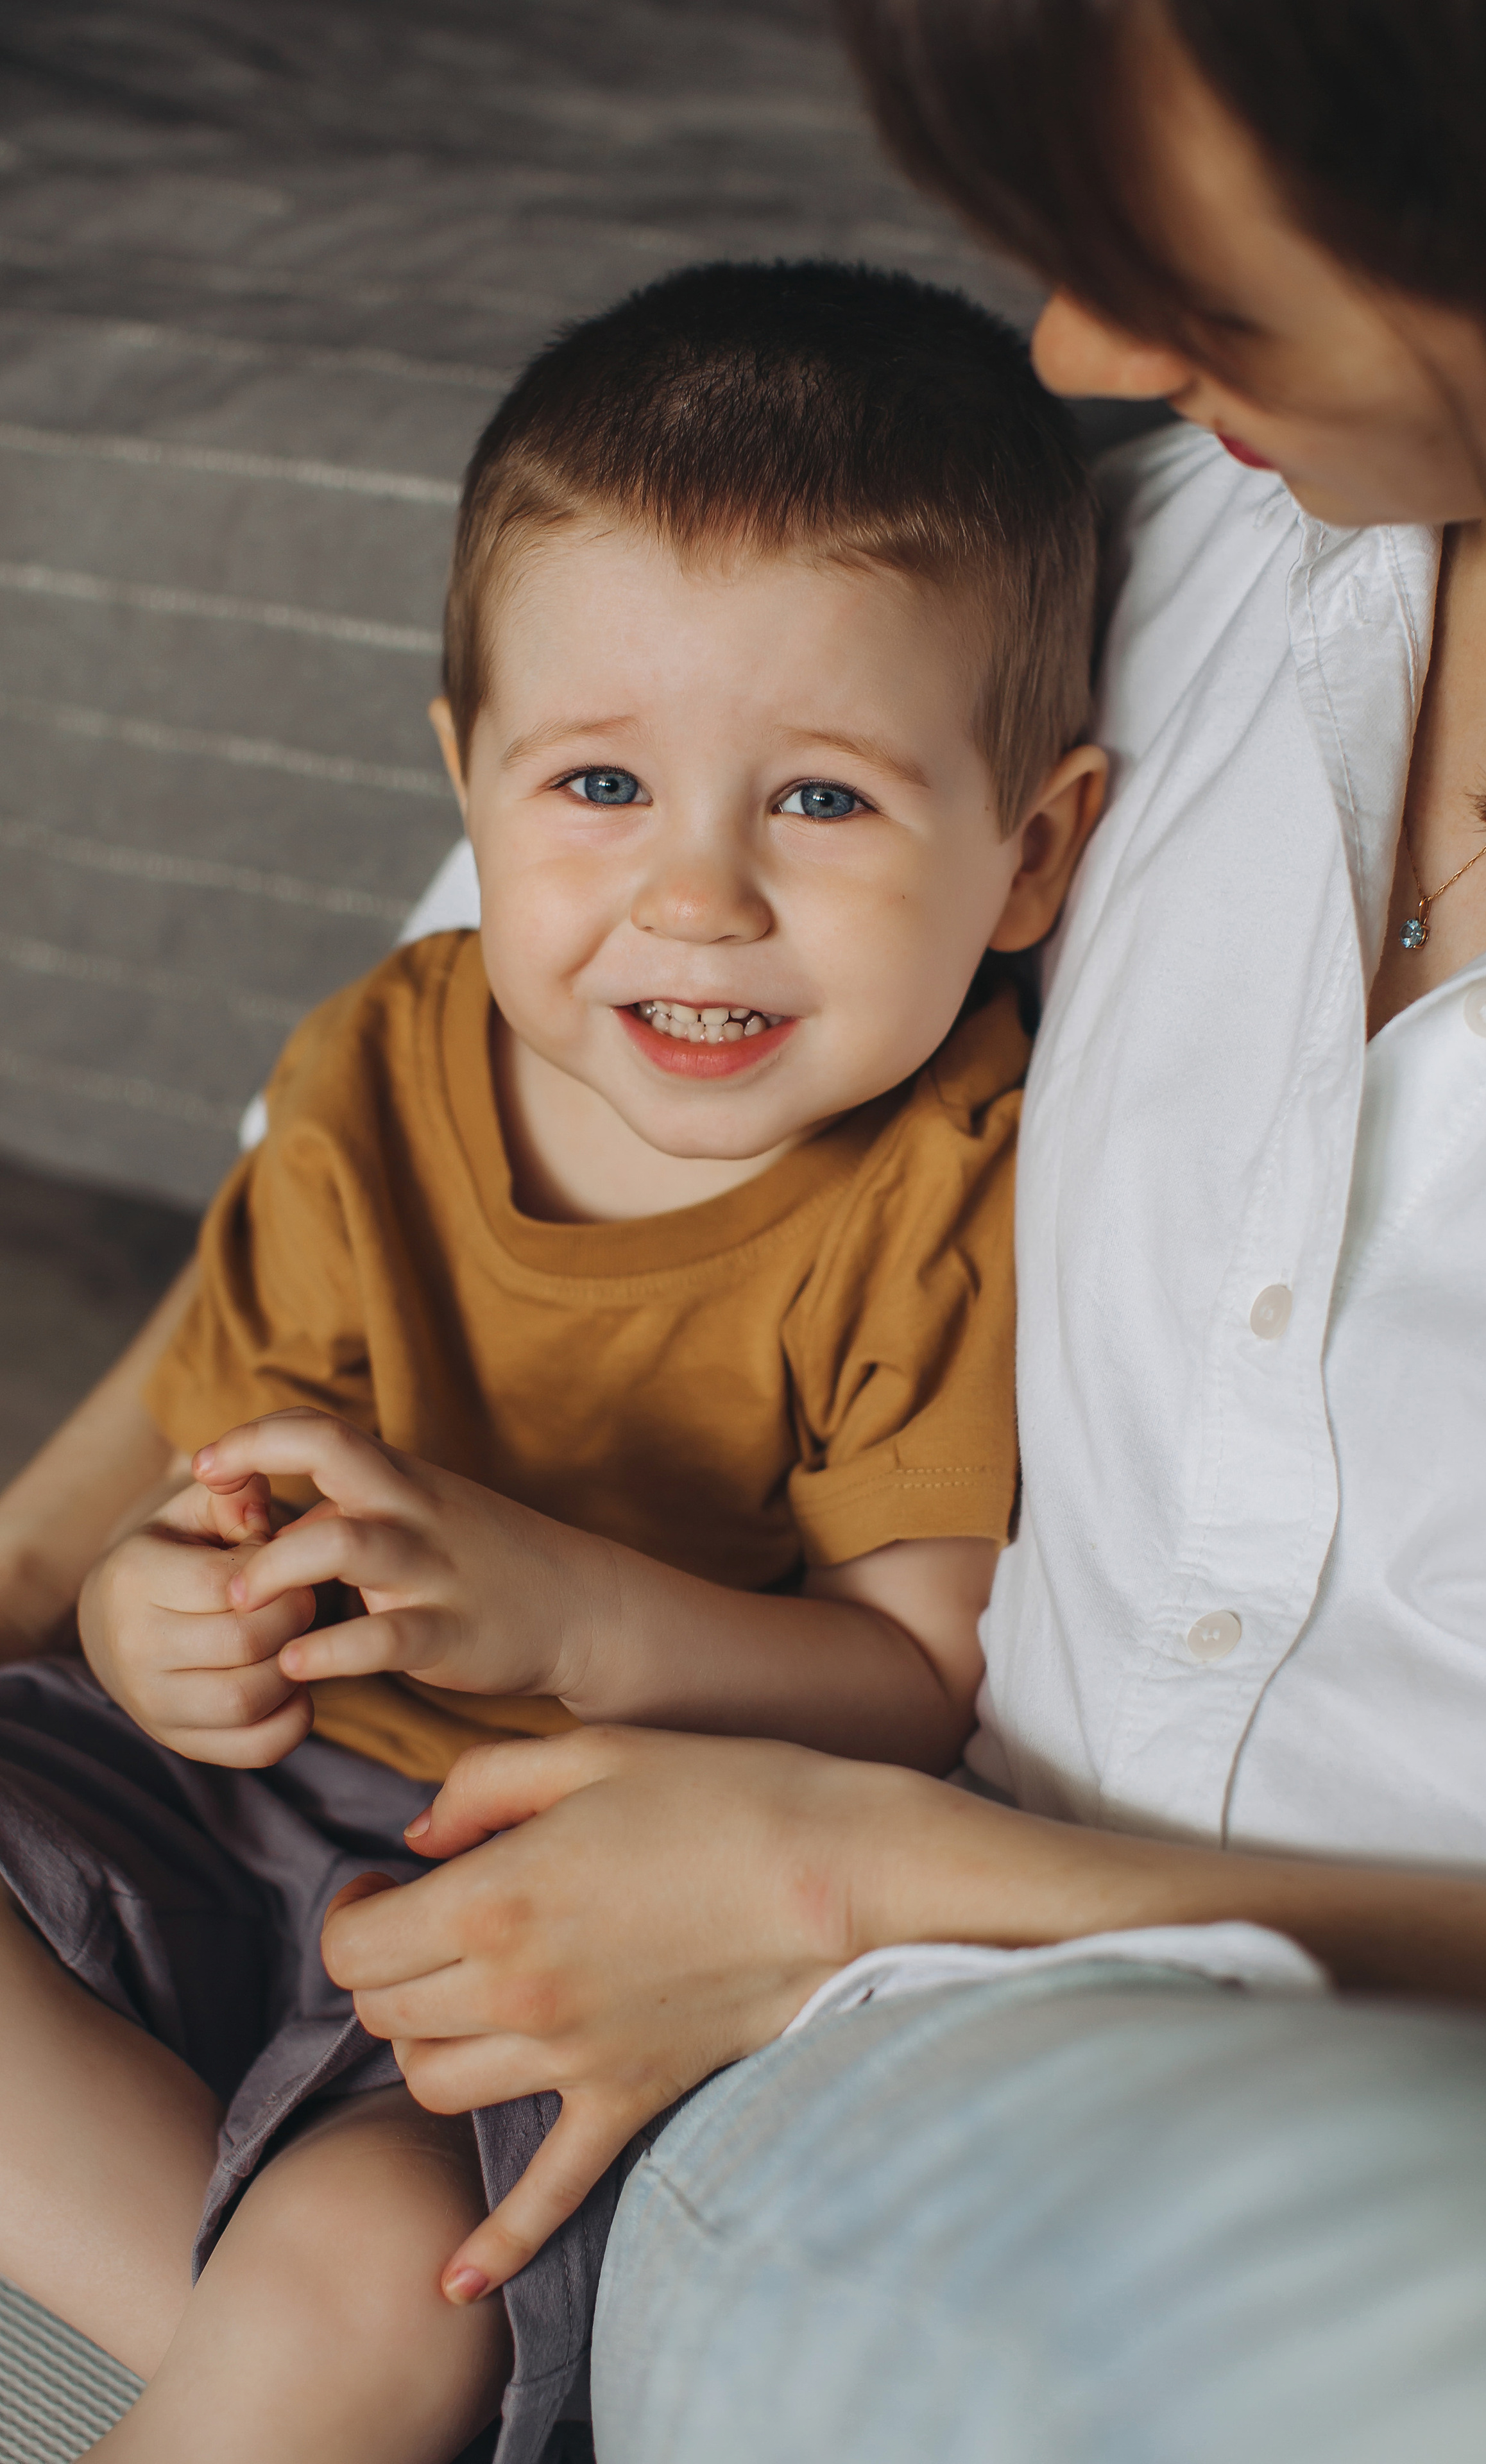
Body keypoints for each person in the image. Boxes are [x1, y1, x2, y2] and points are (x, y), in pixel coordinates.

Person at [279, 0, 1486, 2456]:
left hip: (1386, 2146)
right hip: (862, 2094)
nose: (1078, 346)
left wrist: (864, 1881)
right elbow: (463, 1016)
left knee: (1478, 2300)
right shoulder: (1115, 551)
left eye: (1186, 272)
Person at [0, 259, 1106, 2463]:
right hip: (251, 1789)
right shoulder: (389, 1058)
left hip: (562, 1903)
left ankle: (314, 2355)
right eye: (600, 781)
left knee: (388, 2277)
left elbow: (914, 1678)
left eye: (820, 804)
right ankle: (263, 2339)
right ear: (468, 782)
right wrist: (155, 1606)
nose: (692, 898)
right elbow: (207, 1467)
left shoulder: (947, 1187)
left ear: (1031, 852)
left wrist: (574, 1613)